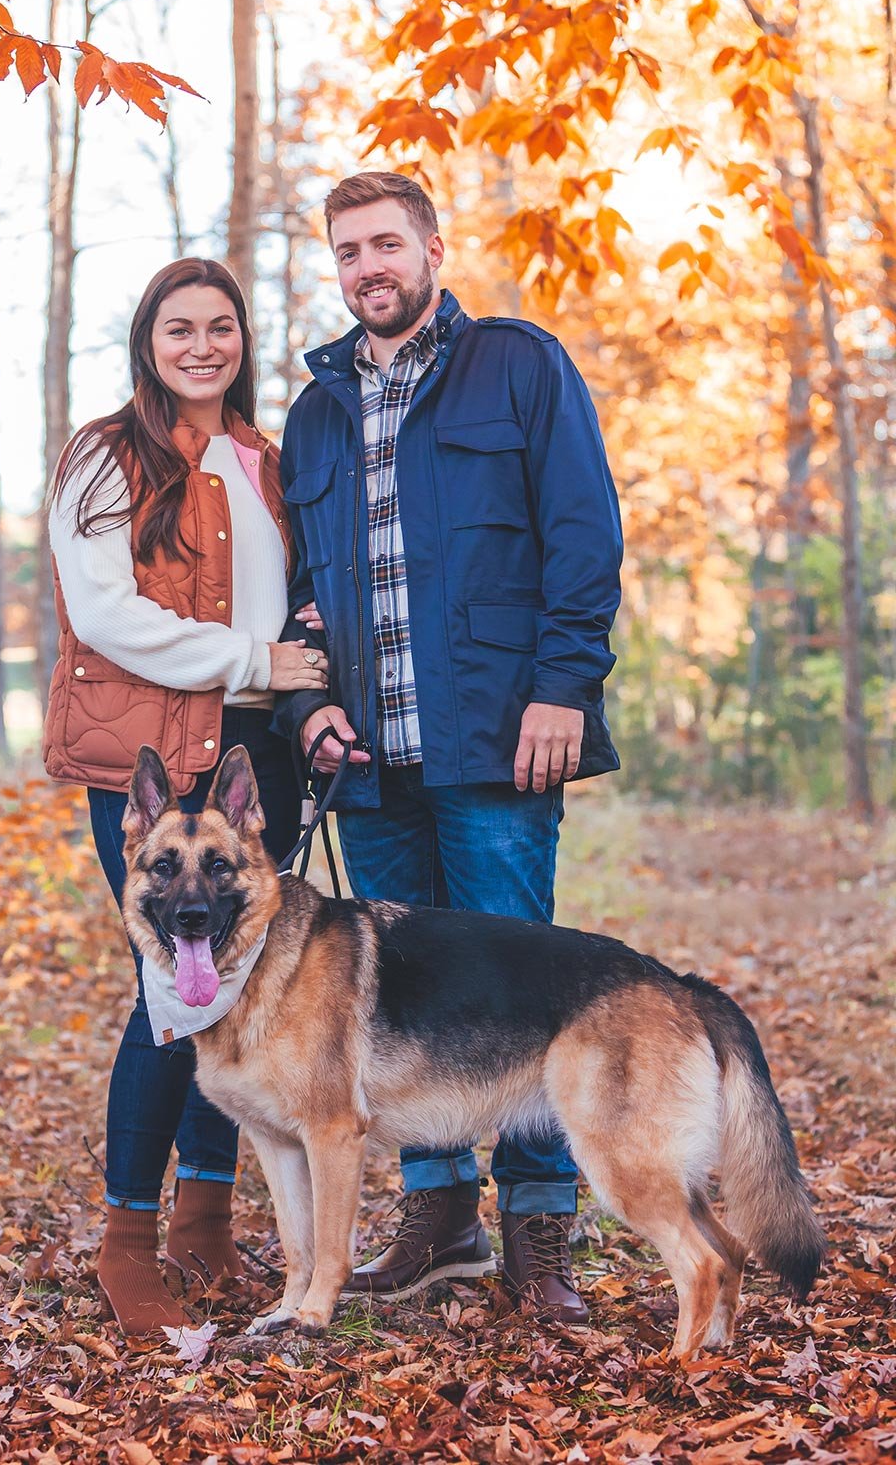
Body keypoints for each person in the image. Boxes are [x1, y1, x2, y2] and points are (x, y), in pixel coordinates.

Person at [272, 170, 624, 1323]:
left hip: (493, 747)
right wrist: (305, 710)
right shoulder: (315, 410)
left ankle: (538, 1230)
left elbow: (582, 533)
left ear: (430, 246)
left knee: (525, 992)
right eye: (347, 252)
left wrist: (563, 685)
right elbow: (302, 598)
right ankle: (438, 1221)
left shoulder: (516, 367)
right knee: (395, 1011)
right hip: (370, 765)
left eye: (384, 243)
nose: (367, 267)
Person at [43, 258, 328, 1333]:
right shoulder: (105, 459)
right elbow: (106, 615)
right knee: (172, 988)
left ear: (242, 340)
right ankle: (126, 1240)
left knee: (245, 991)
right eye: (179, 328)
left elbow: (302, 601)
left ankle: (204, 1224)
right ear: (147, 341)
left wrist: (294, 677)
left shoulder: (263, 459)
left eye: (220, 326)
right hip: (158, 756)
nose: (201, 345)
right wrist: (255, 657)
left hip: (261, 755)